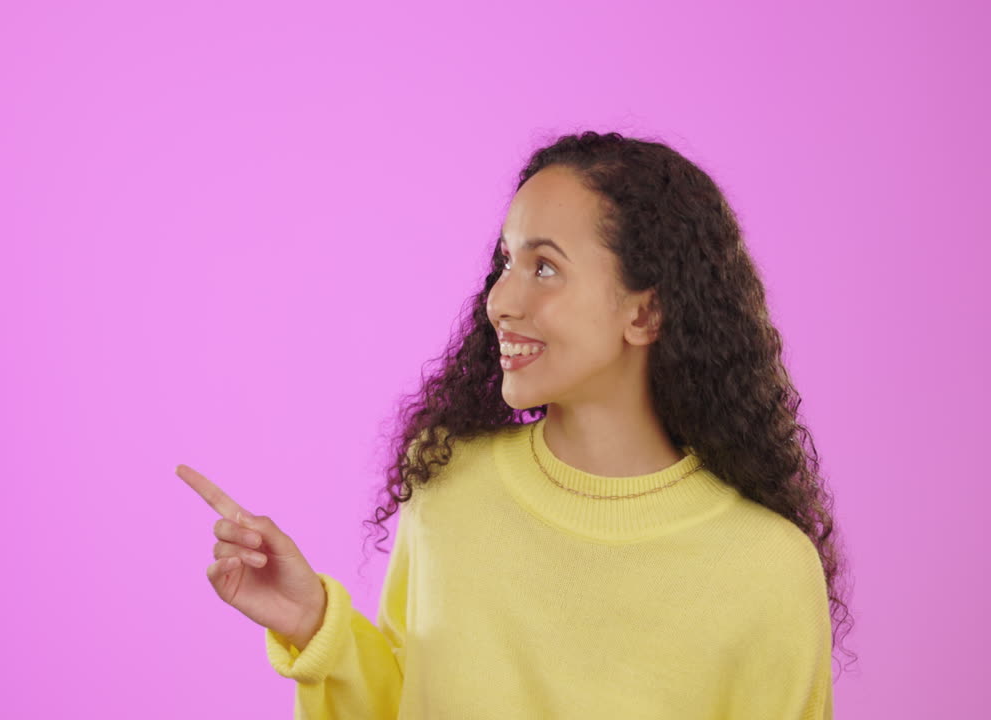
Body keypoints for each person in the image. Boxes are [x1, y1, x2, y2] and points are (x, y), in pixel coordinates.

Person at [176, 130, 853, 718]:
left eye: (545, 267)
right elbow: (408, 700)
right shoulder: (450, 481)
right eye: (506, 261)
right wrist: (316, 626)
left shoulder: (766, 570)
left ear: (645, 314)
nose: (501, 300)